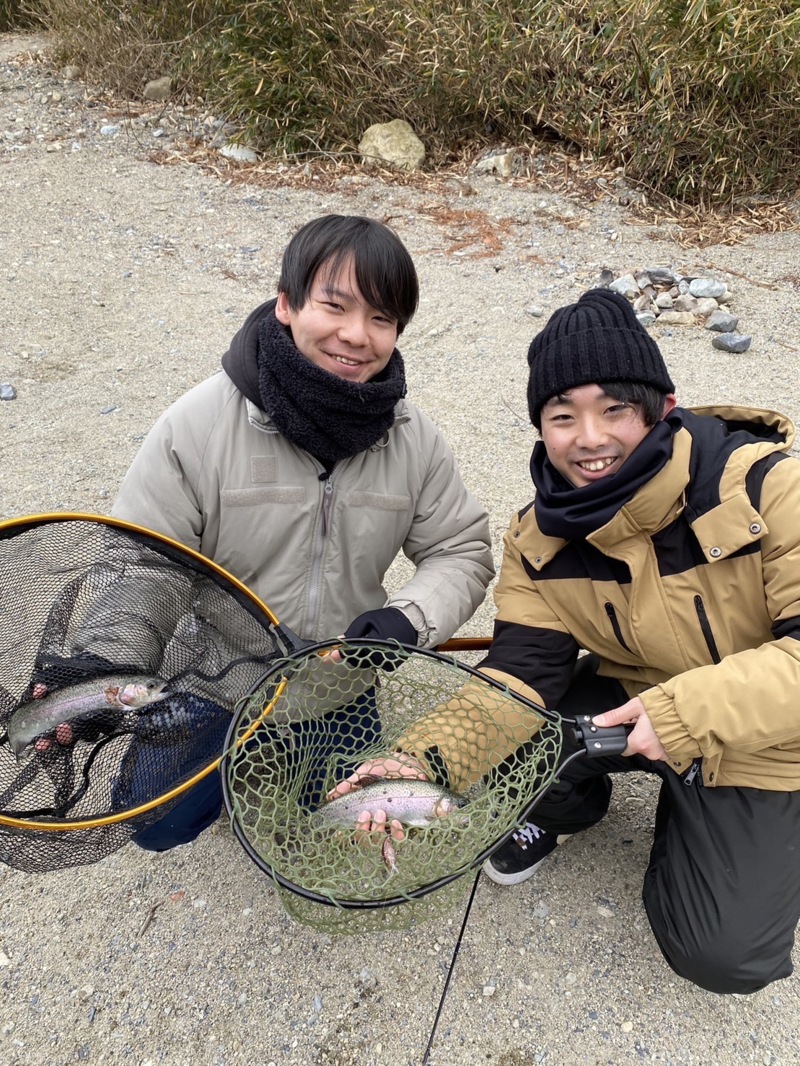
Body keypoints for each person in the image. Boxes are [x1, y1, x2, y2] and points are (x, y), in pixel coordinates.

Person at [332, 287, 800, 995]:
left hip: (763, 732)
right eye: (563, 416)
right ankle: (567, 810)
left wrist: (683, 719)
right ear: (540, 428)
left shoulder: (771, 487)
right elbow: (521, 673)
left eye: (614, 409)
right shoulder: (536, 538)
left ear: (661, 408)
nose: (589, 437)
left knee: (723, 957)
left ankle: (722, 819)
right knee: (505, 757)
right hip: (631, 694)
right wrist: (420, 758)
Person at [39, 214, 493, 850]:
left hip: (340, 684)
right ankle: (224, 754)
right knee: (152, 824)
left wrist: (408, 621)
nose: (356, 336)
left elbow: (461, 549)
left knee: (339, 817)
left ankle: (279, 754)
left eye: (382, 319)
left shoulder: (412, 438)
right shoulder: (196, 426)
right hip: (216, 676)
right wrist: (105, 669)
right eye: (335, 306)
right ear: (286, 303)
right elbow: (142, 564)